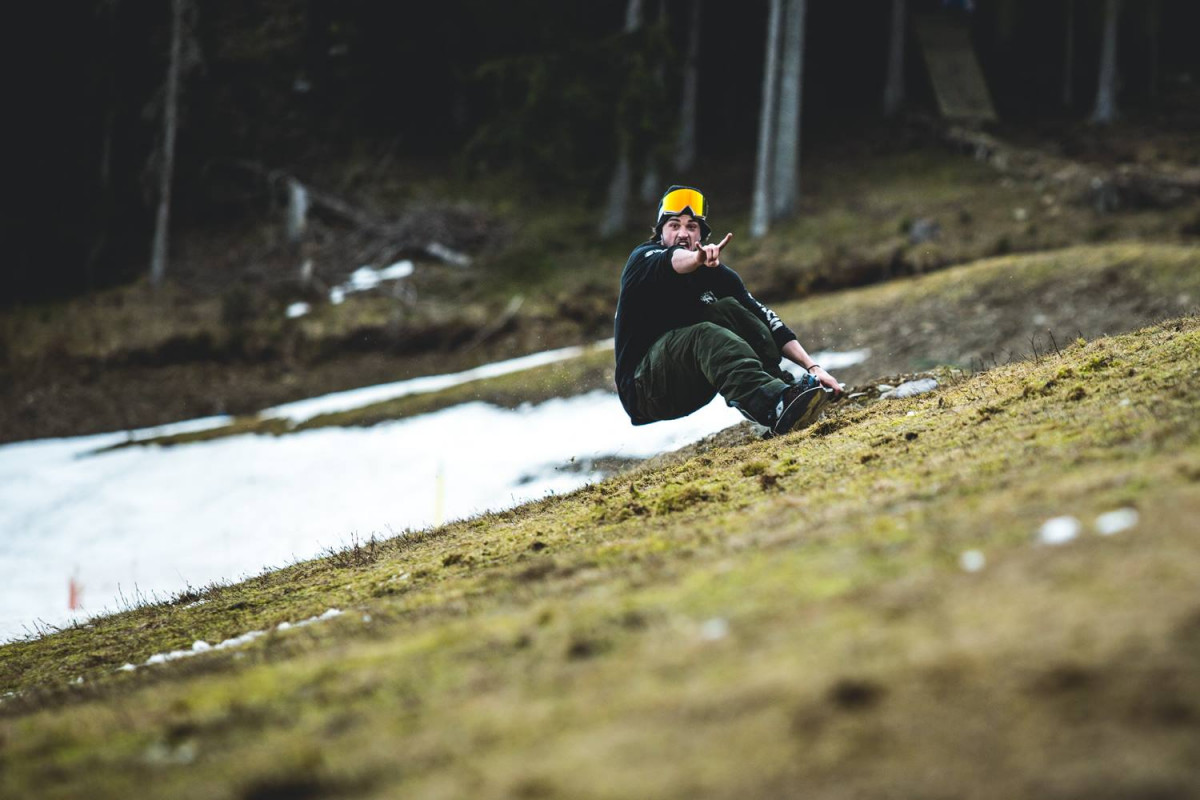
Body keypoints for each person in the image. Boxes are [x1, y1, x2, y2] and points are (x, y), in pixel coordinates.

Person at [614, 185, 843, 436]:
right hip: (645, 389)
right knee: (704, 334)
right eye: (674, 225)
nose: (683, 233)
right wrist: (697, 259)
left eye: (691, 226)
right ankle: (771, 406)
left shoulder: (718, 276)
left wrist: (813, 367)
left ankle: (787, 396)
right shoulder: (644, 259)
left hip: (694, 380)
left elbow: (766, 320)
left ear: (701, 234)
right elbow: (672, 260)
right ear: (661, 231)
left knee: (732, 310)